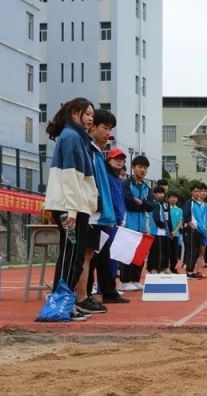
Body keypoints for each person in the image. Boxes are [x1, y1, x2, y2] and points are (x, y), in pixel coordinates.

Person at [44, 98, 98, 321]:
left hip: (75, 207)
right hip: (70, 208)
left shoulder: (76, 137)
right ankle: (60, 305)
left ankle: (65, 303)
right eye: (88, 114)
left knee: (73, 256)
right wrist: (73, 213)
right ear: (75, 113)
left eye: (92, 116)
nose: (90, 119)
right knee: (71, 256)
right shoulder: (72, 137)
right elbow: (70, 178)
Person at [81, 109, 119, 313]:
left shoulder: (96, 153)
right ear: (92, 126)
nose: (108, 133)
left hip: (101, 215)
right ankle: (82, 297)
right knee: (86, 255)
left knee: (91, 255)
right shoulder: (87, 150)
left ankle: (85, 296)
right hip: (90, 213)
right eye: (105, 128)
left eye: (110, 129)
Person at [120, 155, 154, 291]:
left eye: (145, 168)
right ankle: (125, 281)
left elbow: (151, 206)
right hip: (129, 223)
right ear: (133, 168)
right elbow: (129, 203)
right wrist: (142, 204)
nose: (142, 170)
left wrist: (141, 202)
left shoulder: (146, 187)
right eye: (140, 167)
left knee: (139, 254)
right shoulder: (126, 184)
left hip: (142, 225)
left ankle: (135, 279)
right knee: (127, 253)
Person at [104, 147, 130, 303]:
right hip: (108, 222)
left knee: (114, 257)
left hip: (117, 223)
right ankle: (106, 289)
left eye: (122, 159)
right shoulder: (106, 177)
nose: (119, 161)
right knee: (107, 258)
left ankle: (109, 289)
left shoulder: (118, 180)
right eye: (116, 158)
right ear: (109, 160)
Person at [182, 183, 207, 279]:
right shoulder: (189, 202)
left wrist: (204, 229)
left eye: (198, 191)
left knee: (197, 252)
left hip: (200, 231)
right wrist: (190, 223)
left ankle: (191, 270)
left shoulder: (202, 205)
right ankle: (189, 272)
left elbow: (204, 218)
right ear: (191, 192)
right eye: (195, 191)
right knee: (191, 251)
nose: (197, 193)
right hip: (191, 230)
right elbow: (185, 215)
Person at [147, 186, 170, 274]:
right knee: (158, 251)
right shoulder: (155, 204)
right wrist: (162, 225)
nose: (161, 195)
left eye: (162, 193)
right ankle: (156, 268)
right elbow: (156, 217)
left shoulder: (159, 204)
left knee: (162, 250)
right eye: (159, 193)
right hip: (157, 231)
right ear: (154, 194)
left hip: (162, 232)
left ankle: (162, 267)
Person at [167, 192, 183, 273]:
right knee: (167, 251)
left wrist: (175, 231)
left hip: (176, 234)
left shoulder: (179, 210)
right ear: (168, 198)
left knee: (175, 253)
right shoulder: (166, 208)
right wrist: (169, 232)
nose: (173, 199)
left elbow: (180, 222)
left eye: (175, 198)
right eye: (172, 197)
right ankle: (166, 268)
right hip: (167, 234)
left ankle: (173, 268)